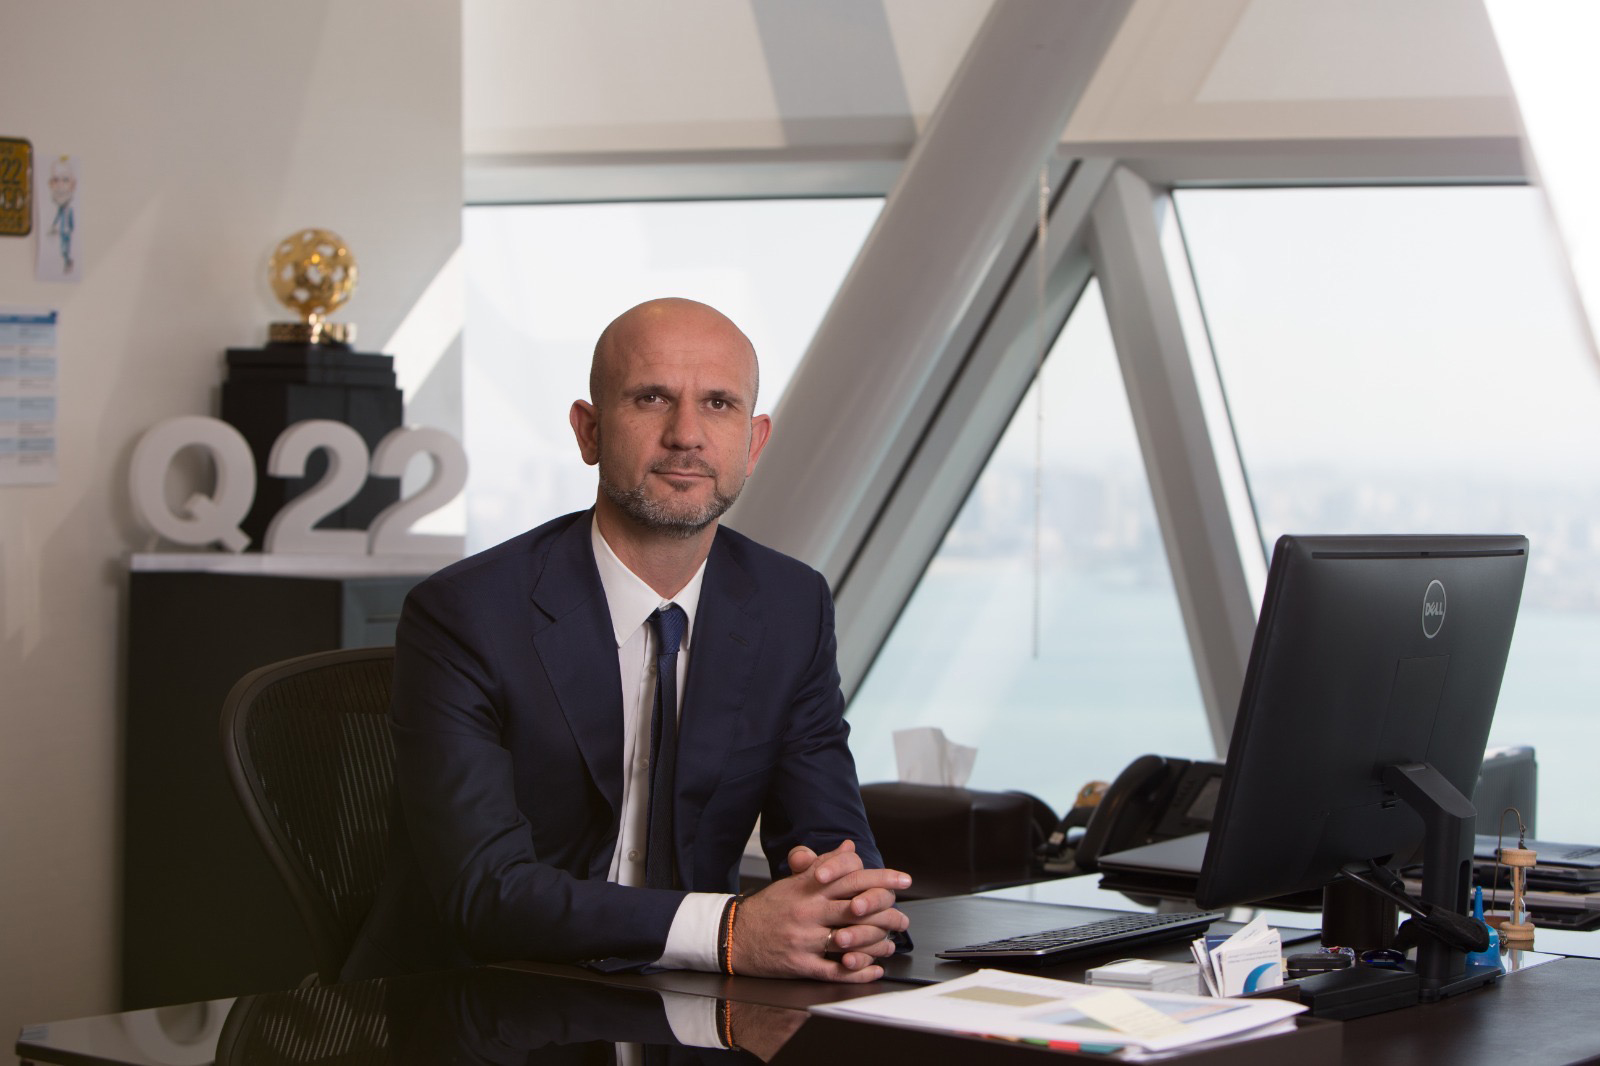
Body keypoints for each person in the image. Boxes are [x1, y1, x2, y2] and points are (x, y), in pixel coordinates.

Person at [345, 297, 911, 986]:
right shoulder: (466, 614)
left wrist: (851, 912)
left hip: (684, 1000)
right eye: (651, 398)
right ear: (589, 431)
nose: (686, 435)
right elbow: (485, 891)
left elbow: (830, 843)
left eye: (719, 405)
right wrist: (729, 931)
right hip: (482, 1000)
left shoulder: (790, 606)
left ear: (754, 442)